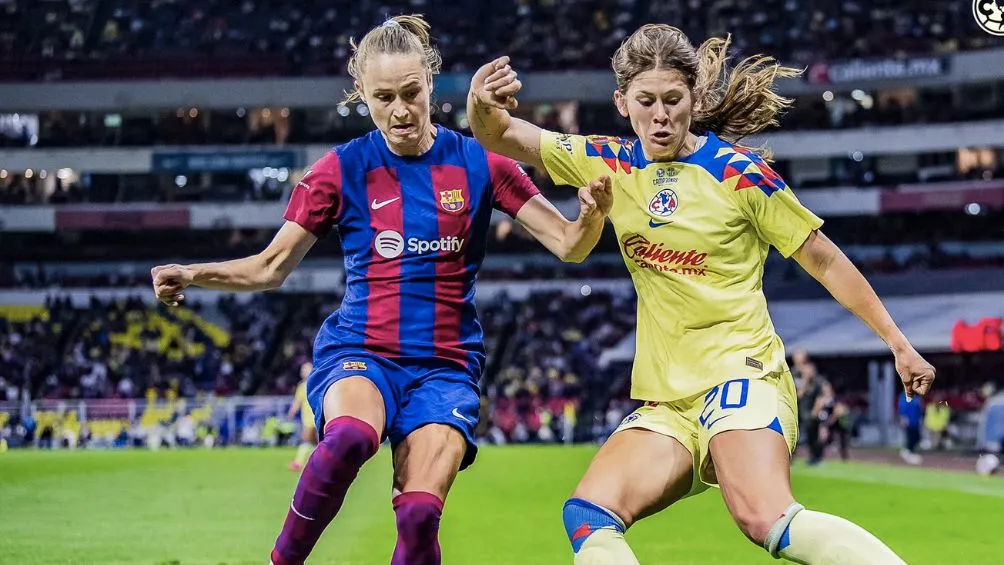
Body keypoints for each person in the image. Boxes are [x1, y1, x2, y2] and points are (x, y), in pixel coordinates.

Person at [151, 15, 612, 565]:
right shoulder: (340, 170)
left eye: (411, 93)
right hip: (362, 351)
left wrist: (591, 216)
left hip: (444, 367)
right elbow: (271, 268)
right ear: (361, 96)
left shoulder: (482, 165)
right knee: (348, 437)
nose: (399, 111)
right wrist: (193, 272)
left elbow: (568, 245)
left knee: (418, 515)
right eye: (382, 97)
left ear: (432, 85)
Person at [467, 24, 935, 565]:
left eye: (673, 99)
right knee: (589, 513)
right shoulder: (608, 161)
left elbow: (825, 259)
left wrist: (897, 343)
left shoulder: (740, 175)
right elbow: (499, 134)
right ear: (623, 102)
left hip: (743, 374)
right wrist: (481, 100)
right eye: (646, 101)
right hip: (669, 401)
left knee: (764, 516)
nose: (660, 115)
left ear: (695, 98)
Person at [287, 361, 317, 471]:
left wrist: (291, 412)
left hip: (312, 418)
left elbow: (297, 402)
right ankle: (319, 462)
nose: (304, 372)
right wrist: (292, 411)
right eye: (303, 370)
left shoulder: (307, 385)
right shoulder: (309, 384)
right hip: (311, 418)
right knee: (314, 442)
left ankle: (298, 463)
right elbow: (298, 401)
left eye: (306, 369)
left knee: (306, 440)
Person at [897, 390, 924, 465]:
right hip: (908, 421)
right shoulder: (904, 397)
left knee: (917, 437)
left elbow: (919, 409)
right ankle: (909, 452)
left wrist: (920, 418)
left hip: (916, 421)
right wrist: (903, 418)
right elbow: (902, 408)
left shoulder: (916, 398)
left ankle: (908, 451)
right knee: (910, 437)